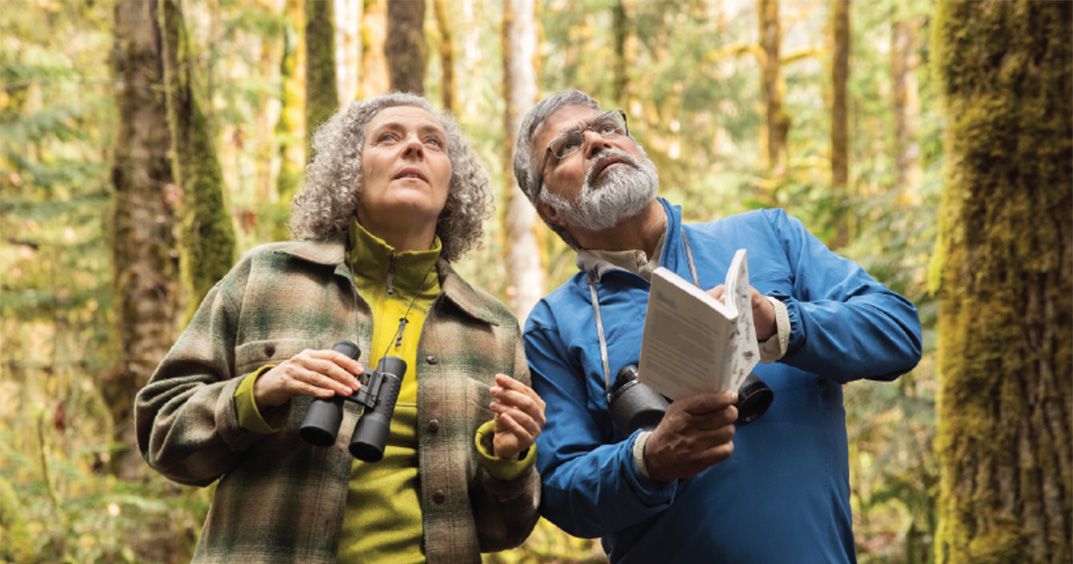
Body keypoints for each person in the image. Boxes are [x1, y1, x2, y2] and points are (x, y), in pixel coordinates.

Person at [511, 89, 922, 563]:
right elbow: (561, 492)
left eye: (607, 126)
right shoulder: (554, 324)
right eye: (566, 146)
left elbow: (898, 331)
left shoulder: (767, 235)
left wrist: (778, 322)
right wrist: (649, 461)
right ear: (549, 210)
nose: (597, 142)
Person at [136, 93, 544, 563]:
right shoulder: (266, 278)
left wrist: (508, 459)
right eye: (388, 137)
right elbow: (161, 433)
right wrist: (261, 392)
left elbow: (505, 529)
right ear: (350, 169)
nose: (413, 147)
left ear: (454, 185)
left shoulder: (490, 328)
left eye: (434, 142)